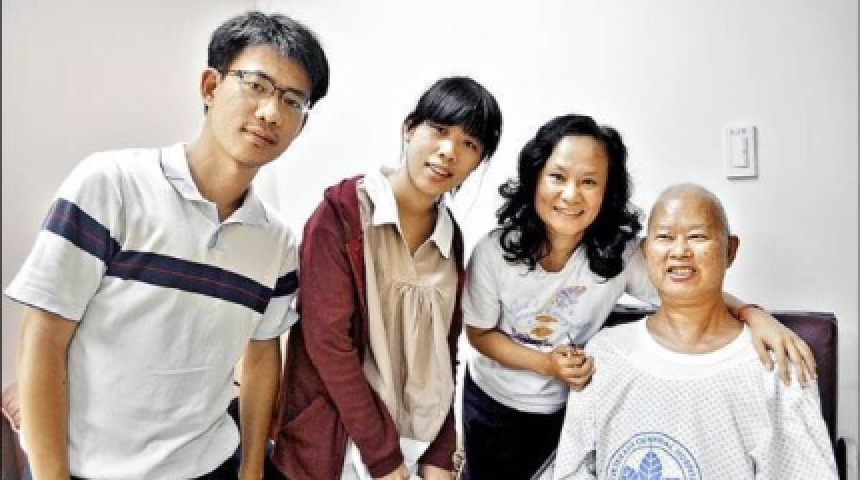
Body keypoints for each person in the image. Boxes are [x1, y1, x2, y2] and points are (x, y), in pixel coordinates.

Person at [4, 11, 329, 479]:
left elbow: (261, 355)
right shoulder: (110, 185)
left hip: (210, 465)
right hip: (91, 469)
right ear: (210, 87)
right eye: (256, 85)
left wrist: (252, 468)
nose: (270, 112)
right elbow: (43, 337)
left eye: (292, 100)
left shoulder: (276, 241)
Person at [460, 114, 817, 479]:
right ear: (535, 177)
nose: (571, 195)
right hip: (494, 405)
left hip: (566, 407)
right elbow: (479, 334)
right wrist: (546, 364)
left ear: (607, 192)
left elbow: (689, 290)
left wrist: (754, 314)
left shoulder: (618, 254)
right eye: (558, 177)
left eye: (589, 181)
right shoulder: (494, 252)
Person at [270, 76, 503, 480]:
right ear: (410, 128)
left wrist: (441, 451)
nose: (449, 152)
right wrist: (384, 458)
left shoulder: (451, 238)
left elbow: (443, 352)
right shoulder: (342, 214)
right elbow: (328, 343)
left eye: (469, 144)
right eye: (439, 130)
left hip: (414, 446)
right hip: (338, 448)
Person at [539, 183, 838, 479]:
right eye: (665, 237)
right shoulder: (605, 353)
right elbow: (571, 469)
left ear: (730, 251)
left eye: (697, 237)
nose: (680, 251)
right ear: (645, 252)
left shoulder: (775, 365)